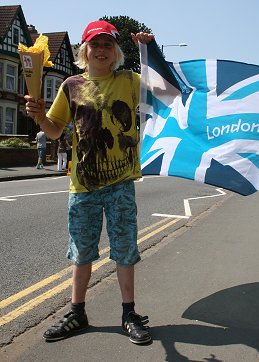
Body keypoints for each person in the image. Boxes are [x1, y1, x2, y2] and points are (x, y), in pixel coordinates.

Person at [25, 20, 155, 344]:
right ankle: (77, 312)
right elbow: (54, 130)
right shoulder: (71, 85)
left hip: (122, 183)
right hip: (83, 187)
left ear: (116, 53)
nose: (100, 50)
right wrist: (39, 116)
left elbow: (164, 92)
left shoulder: (130, 80)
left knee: (125, 249)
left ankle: (129, 313)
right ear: (85, 51)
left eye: (107, 45)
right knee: (81, 252)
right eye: (94, 45)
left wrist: (150, 51)